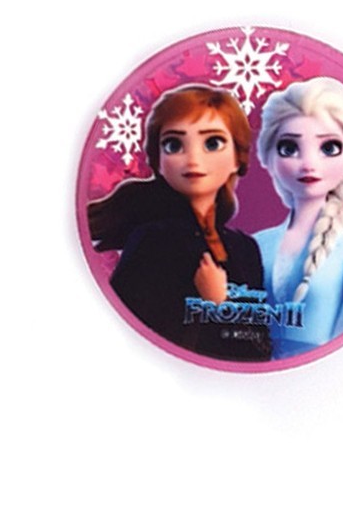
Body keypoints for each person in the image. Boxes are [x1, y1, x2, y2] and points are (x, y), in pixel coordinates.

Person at [88, 84, 271, 361]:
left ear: (237, 157)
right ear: (159, 161)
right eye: (174, 145)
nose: (193, 159)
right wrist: (217, 305)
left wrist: (220, 303)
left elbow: (259, 351)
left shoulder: (245, 248)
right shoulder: (154, 241)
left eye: (212, 143)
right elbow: (124, 333)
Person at [255, 76, 343, 359]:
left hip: (325, 376)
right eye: (289, 148)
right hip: (246, 372)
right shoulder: (257, 243)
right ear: (269, 158)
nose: (309, 164)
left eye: (329, 148)